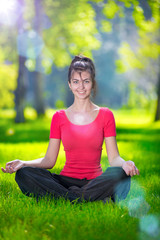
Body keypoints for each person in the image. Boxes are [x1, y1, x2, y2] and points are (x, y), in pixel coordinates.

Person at [1, 55, 139, 203]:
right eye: (76, 82)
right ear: (69, 84)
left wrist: (125, 163)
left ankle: (66, 197)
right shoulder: (59, 117)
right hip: (65, 181)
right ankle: (87, 197)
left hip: (95, 181)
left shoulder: (106, 115)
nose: (81, 87)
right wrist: (24, 163)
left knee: (122, 174)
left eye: (86, 81)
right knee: (24, 174)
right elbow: (49, 160)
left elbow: (114, 158)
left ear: (92, 83)